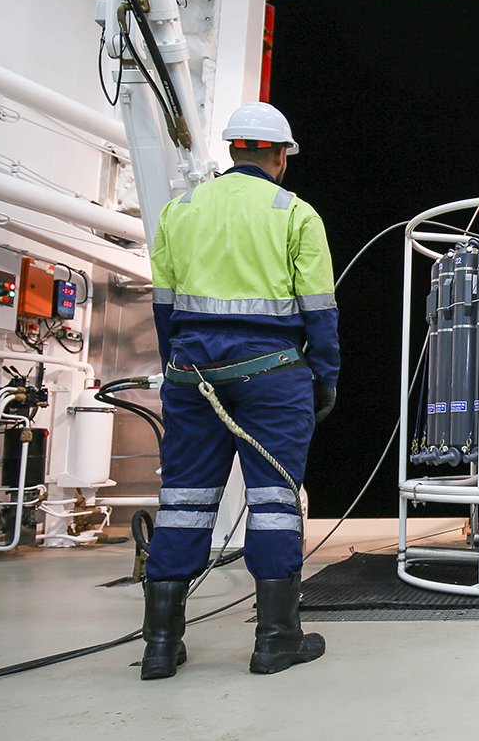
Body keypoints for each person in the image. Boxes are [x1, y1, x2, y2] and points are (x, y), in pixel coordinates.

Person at [140, 101, 341, 680]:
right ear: (280, 155)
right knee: (275, 504)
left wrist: (179, 370)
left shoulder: (180, 210)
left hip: (191, 377)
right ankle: (276, 640)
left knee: (183, 501)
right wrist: (324, 377)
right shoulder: (294, 212)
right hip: (274, 380)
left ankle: (160, 645)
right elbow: (319, 313)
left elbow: (164, 307)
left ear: (234, 151)